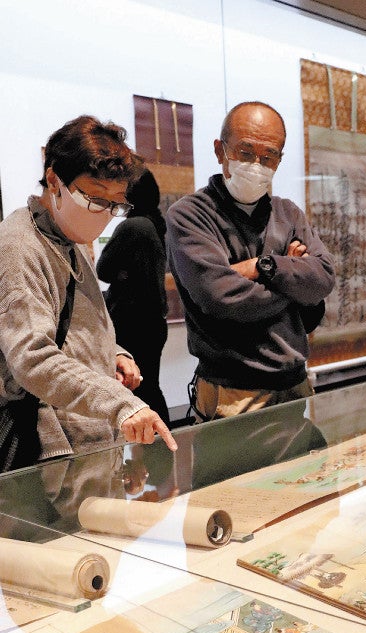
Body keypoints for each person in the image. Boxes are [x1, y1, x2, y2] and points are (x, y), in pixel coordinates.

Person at [0, 115, 177, 466]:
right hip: (47, 451)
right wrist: (121, 403)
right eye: (95, 199)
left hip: (86, 440)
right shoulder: (20, 247)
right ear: (54, 180)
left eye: (115, 205)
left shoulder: (71, 237)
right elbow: (32, 358)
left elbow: (81, 325)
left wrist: (113, 352)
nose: (104, 214)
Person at [166, 101, 335, 420]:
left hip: (295, 383)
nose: (256, 165)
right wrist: (293, 279)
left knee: (300, 471)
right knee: (236, 471)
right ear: (220, 151)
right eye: (245, 152)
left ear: (279, 160)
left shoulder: (288, 213)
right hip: (233, 392)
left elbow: (323, 277)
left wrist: (264, 267)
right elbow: (223, 298)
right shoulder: (190, 215)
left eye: (268, 156)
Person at [97, 168, 170, 425]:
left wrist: (122, 274)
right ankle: (157, 454)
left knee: (140, 390)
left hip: (132, 322)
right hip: (151, 322)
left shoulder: (133, 225)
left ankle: (154, 452)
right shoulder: (154, 224)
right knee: (150, 387)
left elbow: (102, 269)